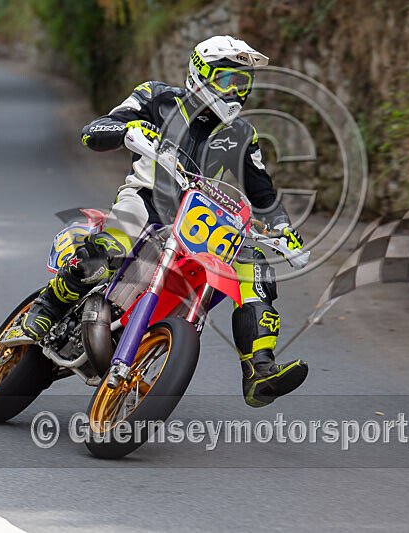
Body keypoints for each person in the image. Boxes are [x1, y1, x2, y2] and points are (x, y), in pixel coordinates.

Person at [22, 35, 307, 407]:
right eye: (227, 80)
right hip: (145, 201)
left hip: (202, 223)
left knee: (256, 269)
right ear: (200, 74)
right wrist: (127, 131)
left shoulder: (242, 135)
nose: (236, 91)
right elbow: (95, 130)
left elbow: (264, 196)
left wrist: (284, 230)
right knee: (108, 249)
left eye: (243, 83)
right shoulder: (156, 97)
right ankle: (49, 306)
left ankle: (259, 370)